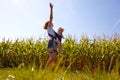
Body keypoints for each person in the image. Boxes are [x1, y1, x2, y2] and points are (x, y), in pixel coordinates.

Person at [43, 3, 57, 69]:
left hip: (53, 43)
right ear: (49, 24)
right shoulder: (49, 28)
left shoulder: (53, 31)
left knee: (53, 59)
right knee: (51, 58)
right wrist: (51, 8)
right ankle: (45, 70)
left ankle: (51, 71)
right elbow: (51, 17)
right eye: (50, 22)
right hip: (50, 43)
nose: (52, 22)